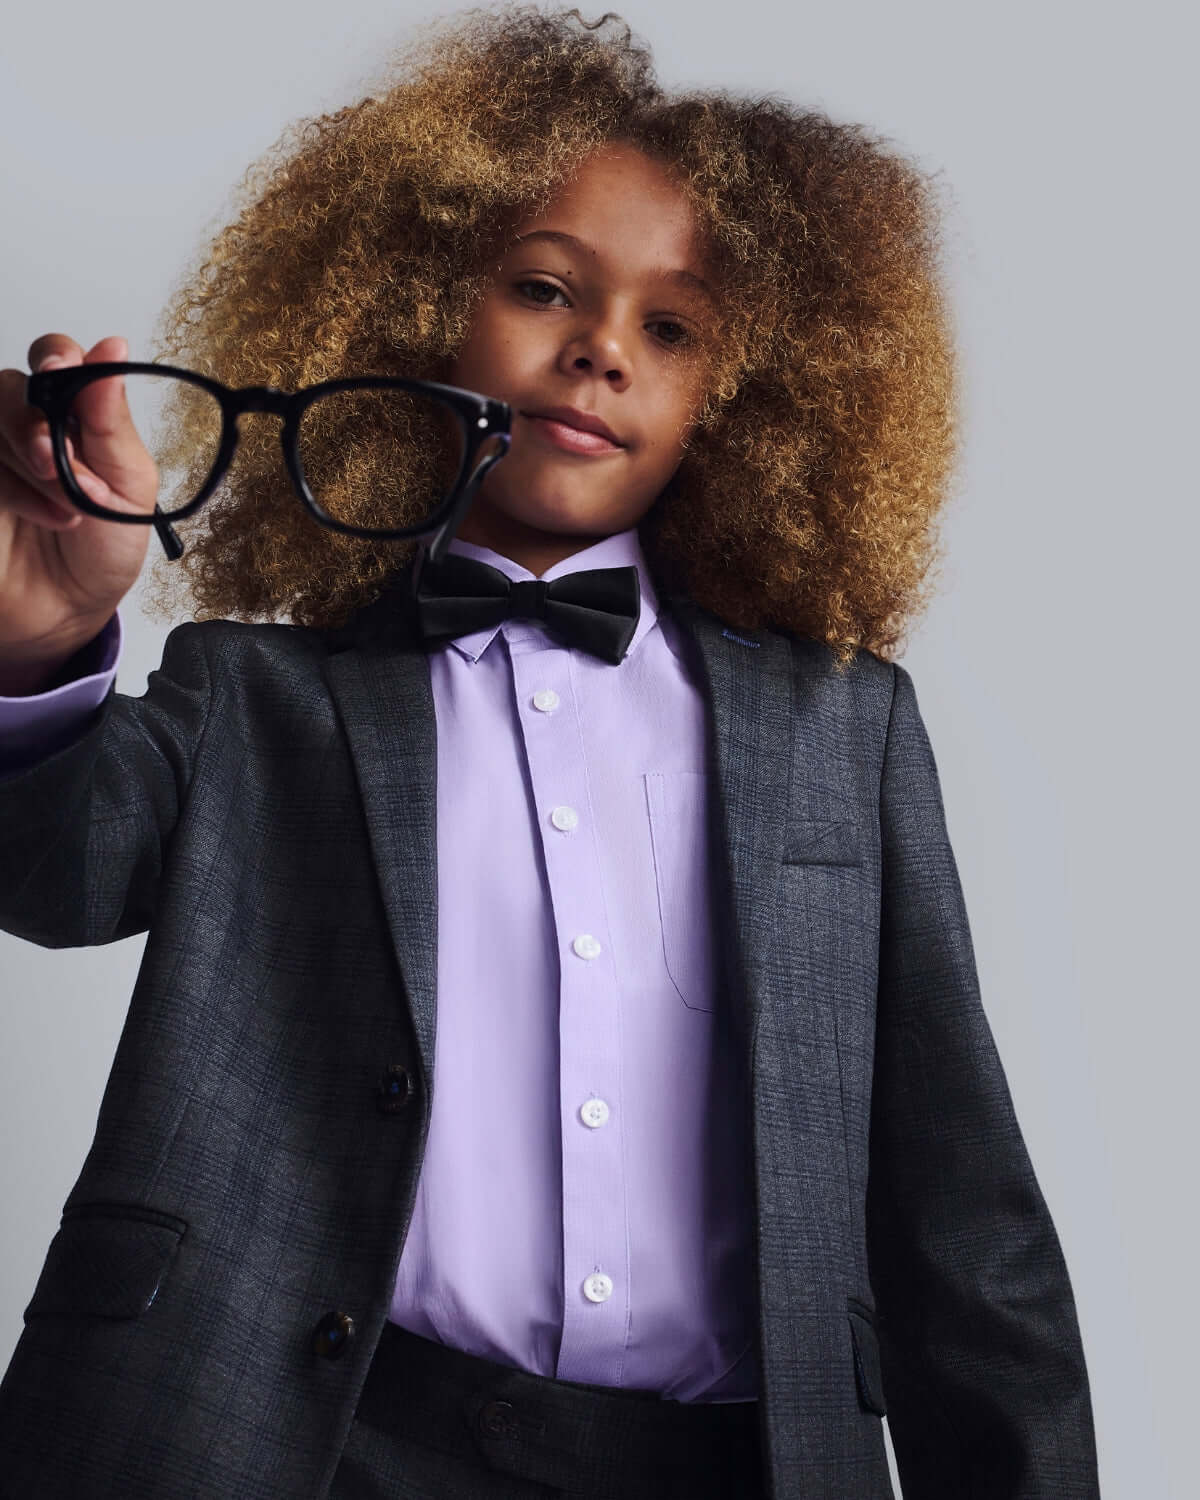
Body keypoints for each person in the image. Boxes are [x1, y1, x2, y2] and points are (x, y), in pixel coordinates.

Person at [0, 7, 1100, 1498]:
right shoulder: (260, 698)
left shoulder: (841, 727)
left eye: (673, 325)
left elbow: (962, 1211)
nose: (599, 351)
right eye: (543, 288)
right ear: (411, 306)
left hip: (725, 1466)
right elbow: (58, 874)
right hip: (308, 1449)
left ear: (745, 393)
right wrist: (43, 644)